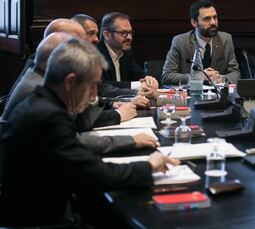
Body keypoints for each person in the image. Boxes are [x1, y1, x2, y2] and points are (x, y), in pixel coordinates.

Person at [0, 38, 179, 227]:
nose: (94, 96)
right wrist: (149, 166)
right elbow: (94, 175)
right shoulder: (49, 117)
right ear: (70, 82)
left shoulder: (40, 103)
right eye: (92, 85)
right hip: (40, 221)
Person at [0, 33, 158, 155]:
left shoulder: (45, 85)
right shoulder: (40, 98)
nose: (93, 43)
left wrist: (110, 104)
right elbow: (80, 129)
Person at [161, 0, 240, 85]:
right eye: (207, 19)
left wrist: (221, 79)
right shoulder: (180, 42)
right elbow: (166, 76)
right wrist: (197, 77)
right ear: (194, 23)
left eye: (215, 17)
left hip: (218, 95)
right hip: (191, 95)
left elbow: (235, 73)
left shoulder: (226, 39)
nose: (213, 22)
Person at [97, 12, 158, 93]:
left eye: (130, 33)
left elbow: (139, 76)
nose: (129, 37)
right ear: (107, 35)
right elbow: (101, 85)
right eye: (123, 33)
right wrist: (136, 85)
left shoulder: (126, 53)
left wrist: (148, 81)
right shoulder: (95, 54)